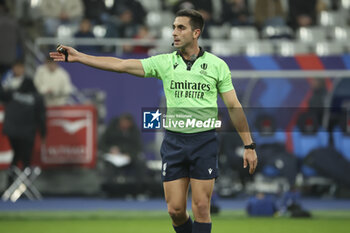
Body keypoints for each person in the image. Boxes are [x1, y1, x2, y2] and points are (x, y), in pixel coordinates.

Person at [50, 9, 258, 233]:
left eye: (181, 28)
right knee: (175, 210)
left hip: (204, 141)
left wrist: (248, 145)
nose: (174, 32)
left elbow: (234, 107)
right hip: (174, 142)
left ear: (196, 32)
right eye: (173, 27)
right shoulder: (165, 63)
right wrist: (80, 56)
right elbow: (121, 65)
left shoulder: (218, 66)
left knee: (201, 207)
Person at [0, 75, 46, 187]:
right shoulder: (37, 98)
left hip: (12, 133)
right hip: (27, 133)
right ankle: (24, 186)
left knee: (15, 157)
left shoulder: (13, 93)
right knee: (26, 159)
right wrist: (44, 133)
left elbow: (1, 95)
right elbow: (41, 117)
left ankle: (10, 184)